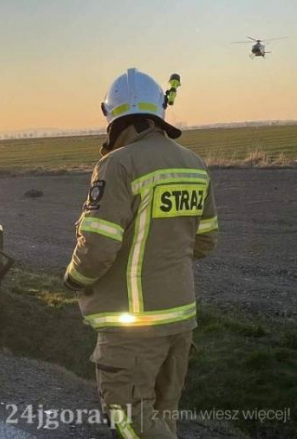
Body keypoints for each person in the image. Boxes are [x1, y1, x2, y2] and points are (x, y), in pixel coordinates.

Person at [63, 68, 218, 438]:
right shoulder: (194, 164)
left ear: (114, 118)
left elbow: (98, 247)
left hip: (134, 327)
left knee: (130, 420)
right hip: (181, 320)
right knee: (162, 415)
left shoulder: (118, 164)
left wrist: (73, 280)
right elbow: (205, 240)